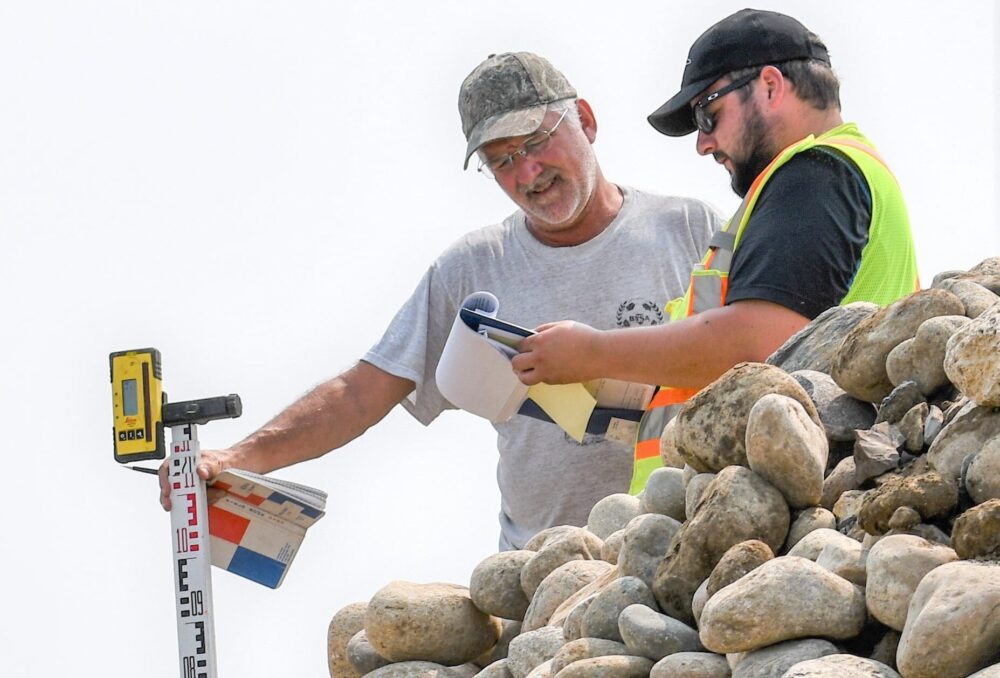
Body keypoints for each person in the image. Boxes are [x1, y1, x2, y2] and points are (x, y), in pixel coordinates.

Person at [159, 52, 722, 550]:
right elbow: (361, 392)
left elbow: (759, 355)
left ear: (587, 122)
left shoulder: (687, 229)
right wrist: (236, 460)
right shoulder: (475, 268)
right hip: (540, 577)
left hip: (675, 546)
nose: (527, 173)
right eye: (500, 161)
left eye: (535, 142)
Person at [511, 10, 919, 492]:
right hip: (748, 509)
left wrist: (593, 352)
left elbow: (756, 343)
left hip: (766, 516)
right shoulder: (826, 176)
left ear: (770, 86)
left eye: (708, 112)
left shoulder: (815, 175)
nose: (703, 143)